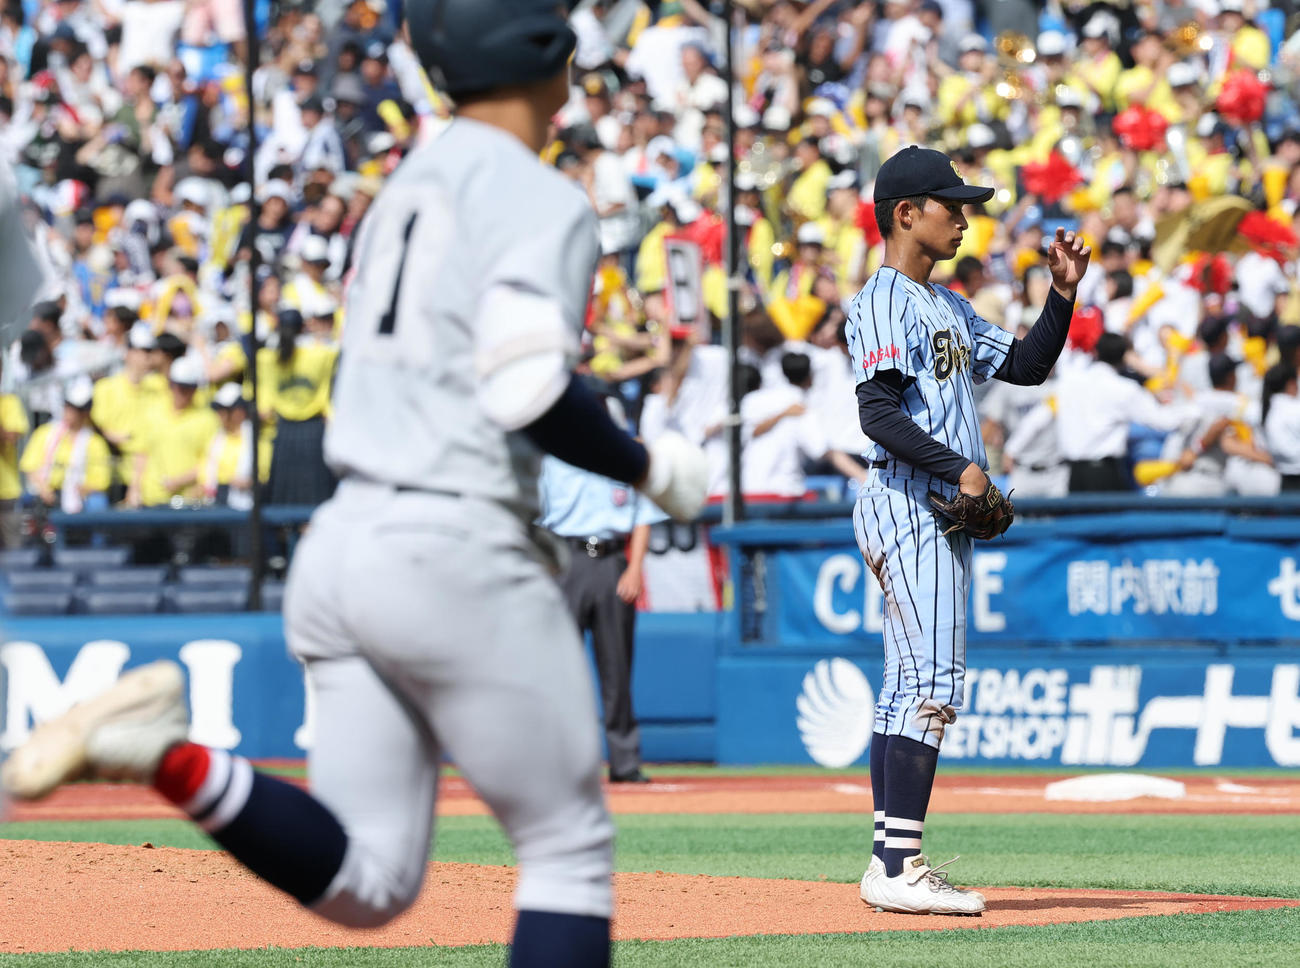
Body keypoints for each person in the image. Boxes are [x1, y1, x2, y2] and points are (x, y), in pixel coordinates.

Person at [1, 8, 708, 968]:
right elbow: (526, 386)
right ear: (547, 57)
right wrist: (650, 466)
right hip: (453, 542)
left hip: (342, 546)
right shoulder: (541, 198)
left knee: (369, 882)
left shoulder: (403, 187)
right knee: (567, 852)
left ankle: (168, 755)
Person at [848, 146, 1090, 915]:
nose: (964, 215)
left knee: (901, 691)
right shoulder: (884, 299)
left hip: (928, 503)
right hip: (910, 499)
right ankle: (900, 868)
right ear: (905, 213)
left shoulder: (947, 305)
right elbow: (877, 412)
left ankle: (889, 859)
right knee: (932, 685)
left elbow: (1024, 366)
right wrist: (963, 470)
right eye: (951, 203)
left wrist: (1061, 296)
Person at [538, 392, 668, 785]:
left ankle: (625, 761)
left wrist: (635, 566)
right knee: (559, 669)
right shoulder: (553, 458)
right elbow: (535, 515)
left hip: (612, 560)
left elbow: (643, 515)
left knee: (617, 667)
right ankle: (560, 762)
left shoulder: (623, 461)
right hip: (566, 558)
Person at [1056, 333, 1193, 492]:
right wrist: (1193, 407)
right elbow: (1164, 421)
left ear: (1096, 352)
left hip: (1072, 475)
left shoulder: (1069, 383)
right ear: (1124, 357)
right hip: (1104, 474)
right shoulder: (1124, 389)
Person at [19, 378, 111, 513]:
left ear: (84, 413)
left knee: (96, 503)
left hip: (79, 496)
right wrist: (44, 489)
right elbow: (30, 467)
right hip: (46, 491)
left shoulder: (95, 442)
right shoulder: (45, 433)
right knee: (25, 501)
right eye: (67, 407)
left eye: (74, 409)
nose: (69, 412)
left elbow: (101, 480)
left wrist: (76, 490)